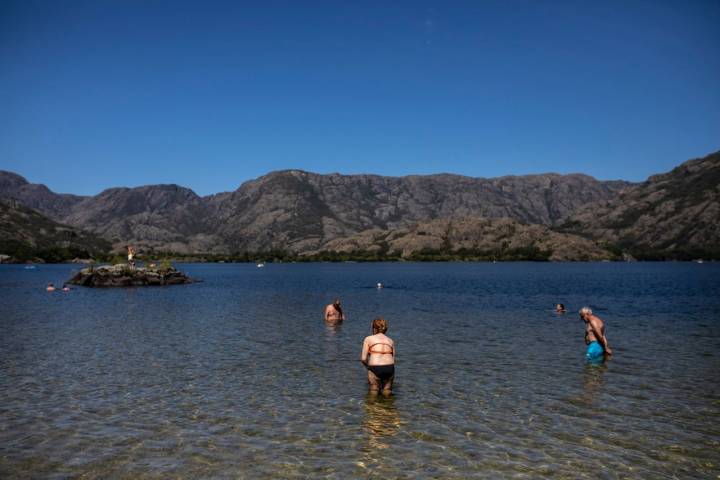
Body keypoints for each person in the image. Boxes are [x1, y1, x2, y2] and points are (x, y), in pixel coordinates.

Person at [360, 318, 395, 395]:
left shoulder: (368, 338)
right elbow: (393, 358)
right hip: (389, 367)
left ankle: (374, 406)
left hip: (375, 367)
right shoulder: (390, 341)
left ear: (374, 328)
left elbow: (363, 358)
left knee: (374, 391)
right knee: (387, 391)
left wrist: (368, 367)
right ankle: (387, 406)